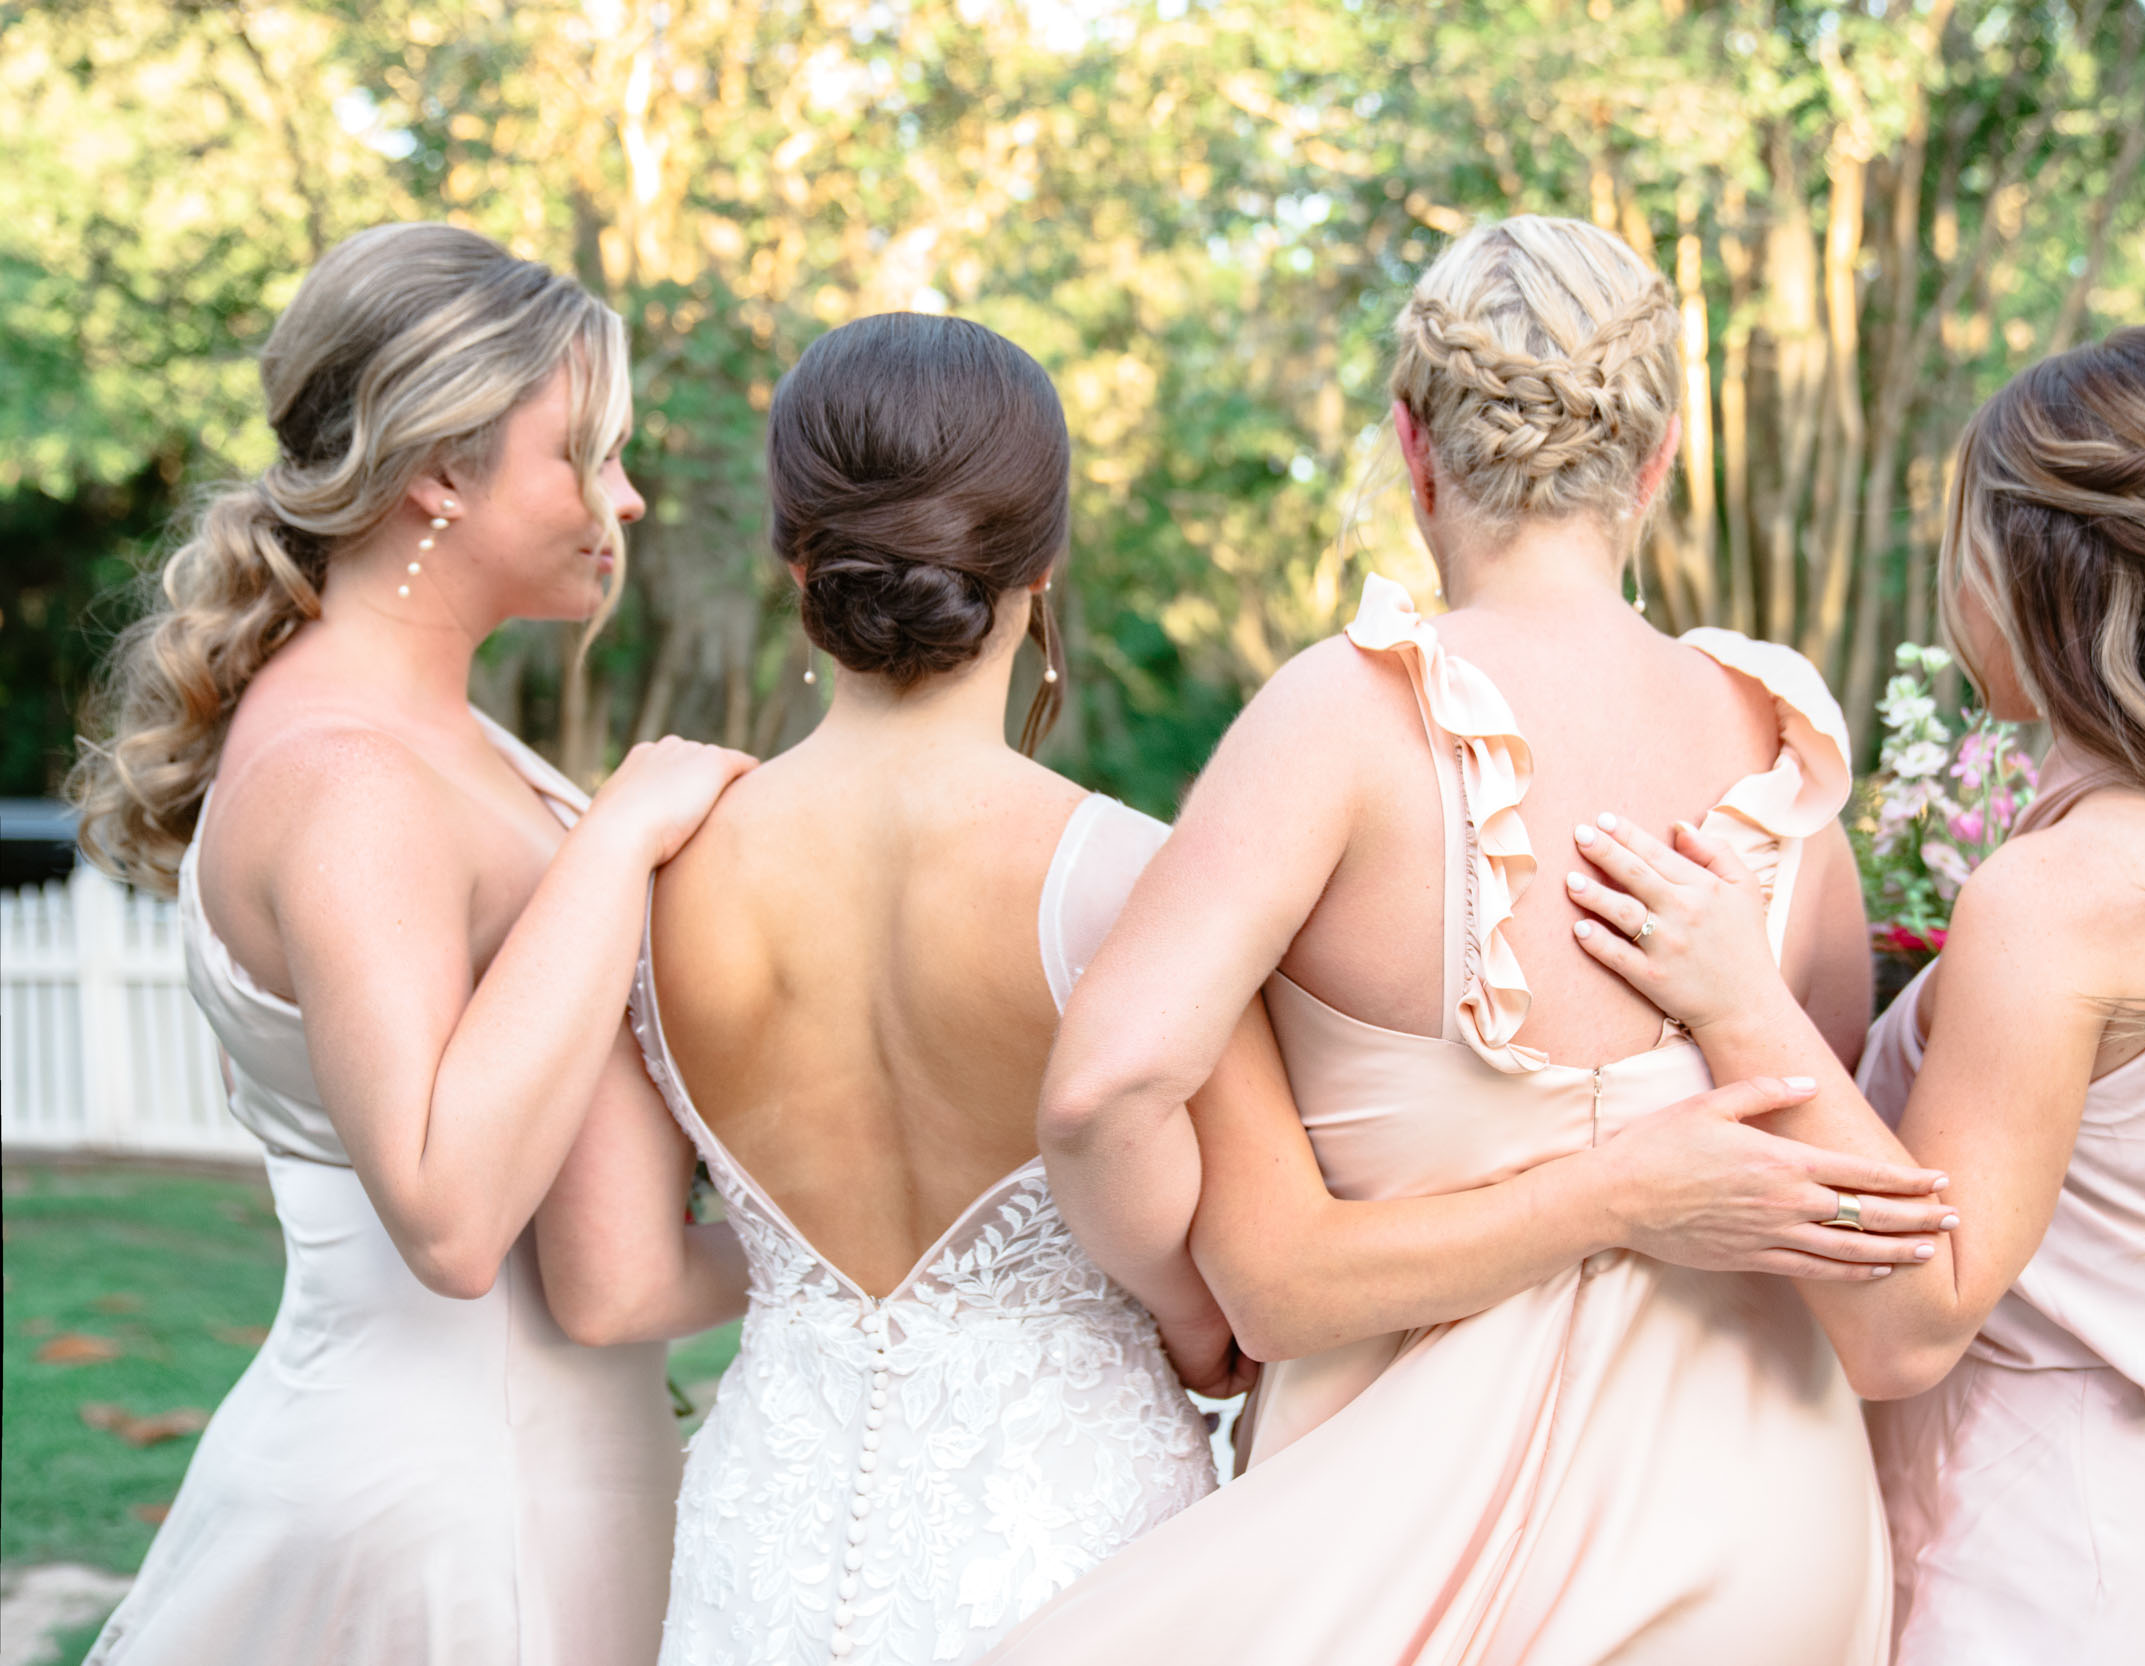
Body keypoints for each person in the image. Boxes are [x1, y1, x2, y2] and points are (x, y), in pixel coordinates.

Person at [991, 216, 1955, 1665]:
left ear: (1411, 444)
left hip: (1401, 1540)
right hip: (1757, 1536)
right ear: (1658, 455)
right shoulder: (1775, 741)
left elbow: (1100, 1088)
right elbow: (1805, 1147)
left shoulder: (1336, 719)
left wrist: (1193, 1313)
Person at [1564, 326, 2145, 1665]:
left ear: (2026, 569)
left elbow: (1912, 1317)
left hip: (2049, 1559)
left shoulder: (2062, 890)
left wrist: (1733, 988)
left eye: (1958, 533)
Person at [67, 222, 754, 1666]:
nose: (619, 498)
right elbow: (446, 1213)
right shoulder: (352, 776)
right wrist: (622, 840)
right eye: (583, 454)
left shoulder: (426, 731)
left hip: (534, 1461)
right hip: (455, 1514)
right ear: (440, 469)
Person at [529, 313, 1219, 1666]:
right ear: (1044, 554)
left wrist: (822, 1283)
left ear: (796, 555)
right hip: (1074, 1536)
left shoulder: (658, 877)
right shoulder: (1134, 881)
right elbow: (1221, 1287)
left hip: (768, 1544)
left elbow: (611, 1285)